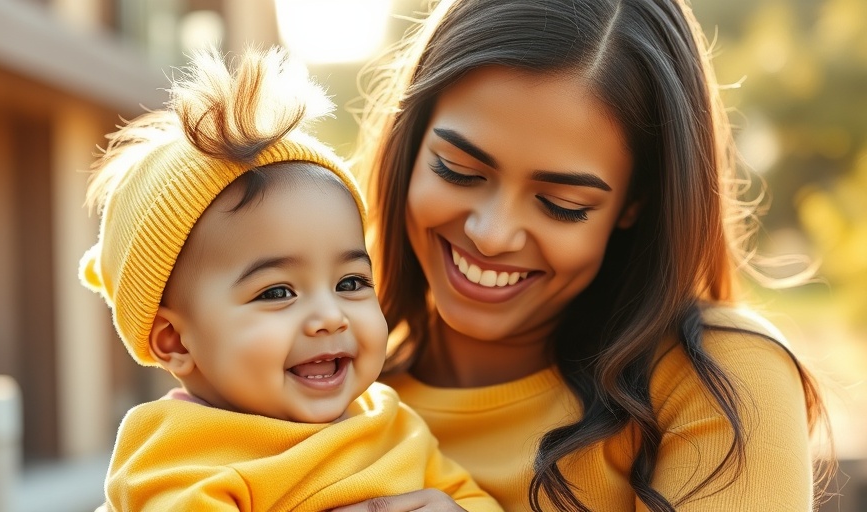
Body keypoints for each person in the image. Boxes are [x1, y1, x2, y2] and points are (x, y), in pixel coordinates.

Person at [341, 0, 836, 510]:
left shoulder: (719, 377)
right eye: (458, 171)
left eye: (562, 205)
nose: (491, 235)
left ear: (633, 205)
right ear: (410, 141)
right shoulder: (319, 386)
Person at [79, 46, 502, 512]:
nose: (329, 317)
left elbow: (469, 497)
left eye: (350, 282)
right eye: (278, 291)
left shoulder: (388, 416)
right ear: (175, 341)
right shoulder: (179, 453)